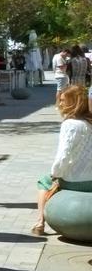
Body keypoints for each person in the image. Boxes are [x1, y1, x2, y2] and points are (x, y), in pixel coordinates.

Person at [31, 85, 92, 235]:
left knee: (43, 181)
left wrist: (54, 174)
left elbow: (63, 156)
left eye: (64, 101)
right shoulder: (89, 123)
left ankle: (40, 222)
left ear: (74, 102)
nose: (60, 104)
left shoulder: (70, 125)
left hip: (75, 181)